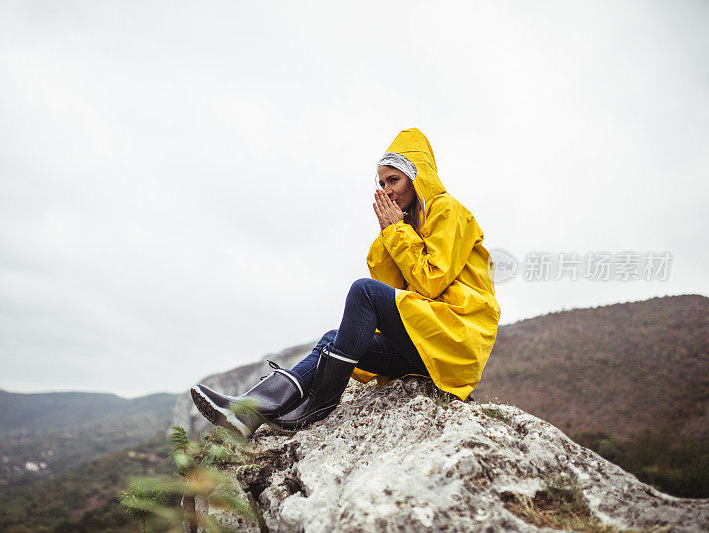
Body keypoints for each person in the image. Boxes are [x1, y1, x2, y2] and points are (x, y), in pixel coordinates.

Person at [191, 127, 501, 438]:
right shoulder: (407, 225)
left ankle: (318, 406)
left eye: (394, 180)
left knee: (362, 291)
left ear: (416, 178)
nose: (386, 190)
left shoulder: (449, 211)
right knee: (332, 339)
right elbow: (396, 291)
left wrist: (395, 232)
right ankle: (246, 413)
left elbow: (429, 283)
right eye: (381, 183)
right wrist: (391, 232)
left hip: (454, 341)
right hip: (425, 344)